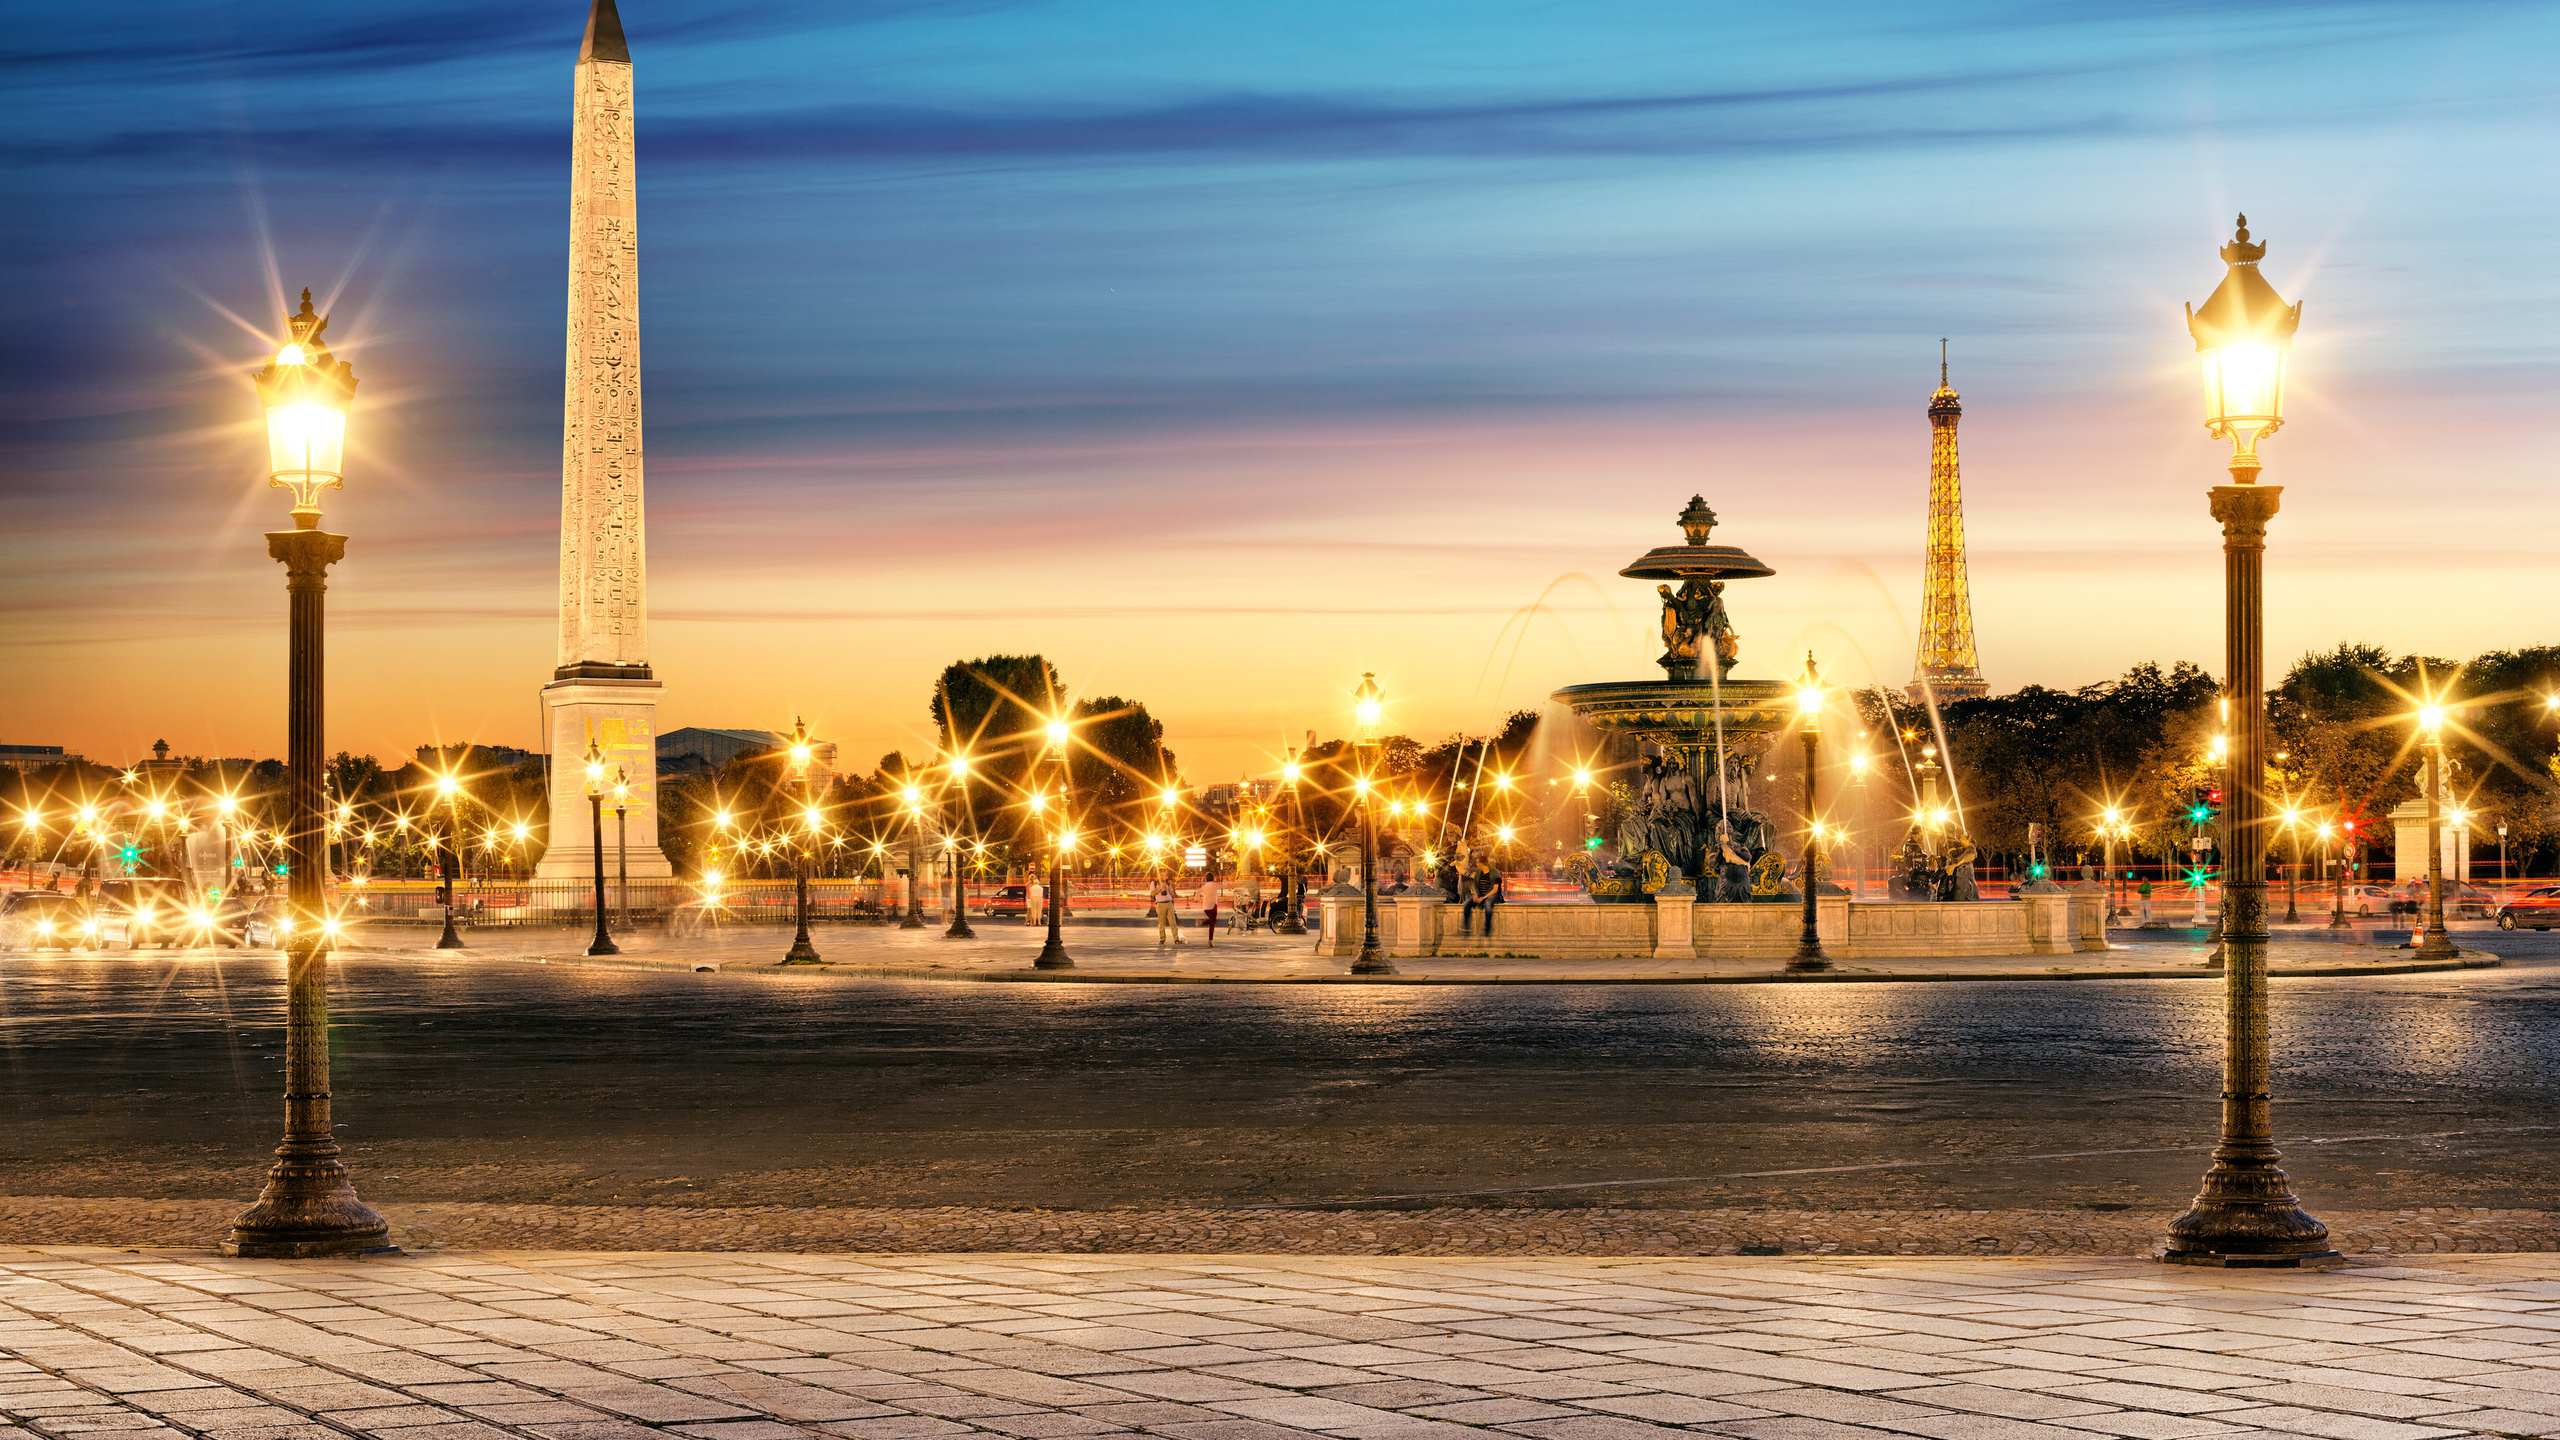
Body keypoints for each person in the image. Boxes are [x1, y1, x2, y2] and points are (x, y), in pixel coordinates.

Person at [1461, 851, 1503, 936]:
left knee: (1488, 903)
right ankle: (1466, 927)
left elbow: (1495, 890)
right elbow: (1475, 886)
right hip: (1480, 895)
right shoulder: (1478, 873)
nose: (1476, 864)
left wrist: (1483, 898)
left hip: (1491, 895)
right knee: (1466, 903)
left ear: (1482, 863)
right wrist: (1476, 895)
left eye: (1477, 862)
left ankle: (1487, 928)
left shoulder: (1495, 873)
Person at [1153, 876, 1182, 947]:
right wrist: (1161, 887)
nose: (1163, 876)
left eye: (1164, 875)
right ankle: (1162, 938)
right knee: (1161, 922)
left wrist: (1170, 885)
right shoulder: (1154, 883)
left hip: (1169, 903)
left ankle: (1176, 939)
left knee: (1173, 922)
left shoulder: (1167, 883)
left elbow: (1172, 894)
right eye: (1161, 875)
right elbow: (1153, 893)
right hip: (1160, 903)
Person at [1198, 874, 1224, 946]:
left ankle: (1202, 923)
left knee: (1213, 921)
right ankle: (1210, 940)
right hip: (1213, 906)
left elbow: (1198, 892)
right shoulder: (1214, 885)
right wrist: (1225, 882)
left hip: (1206, 907)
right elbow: (1223, 886)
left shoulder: (1204, 886)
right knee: (1212, 922)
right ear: (1213, 878)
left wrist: (1196, 899)